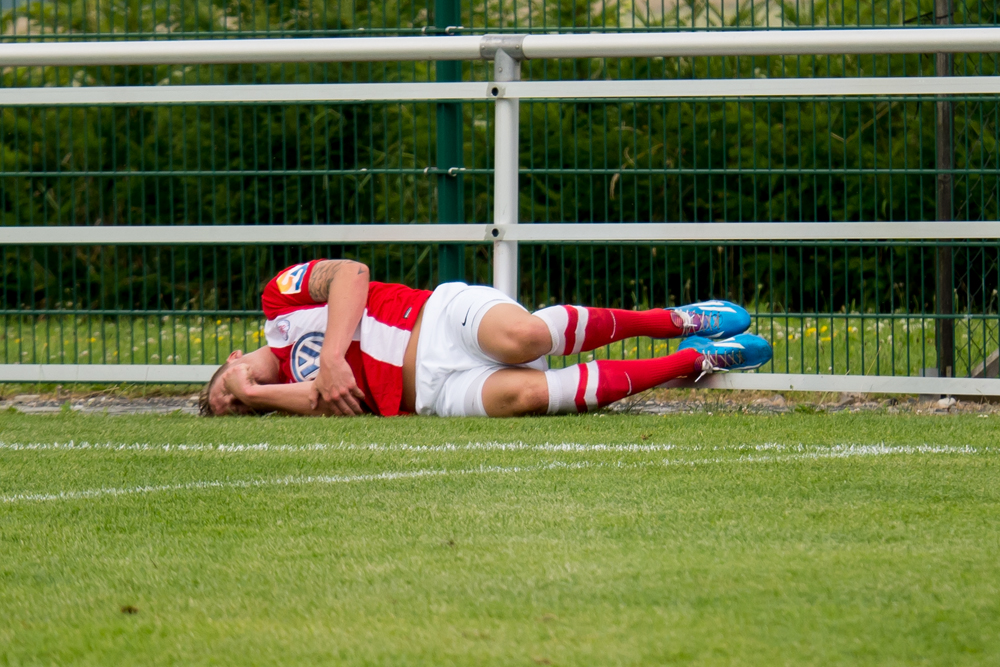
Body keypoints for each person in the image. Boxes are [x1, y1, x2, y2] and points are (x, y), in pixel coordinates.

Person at [200, 258, 772, 417]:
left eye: (221, 390)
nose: (230, 399)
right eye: (233, 409)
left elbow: (351, 273)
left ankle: (675, 319)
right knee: (526, 396)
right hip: (430, 396)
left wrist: (330, 355)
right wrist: (253, 396)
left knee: (523, 337)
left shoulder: (278, 302)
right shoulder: (286, 401)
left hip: (440, 317)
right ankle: (691, 361)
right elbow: (325, 400)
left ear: (230, 359)